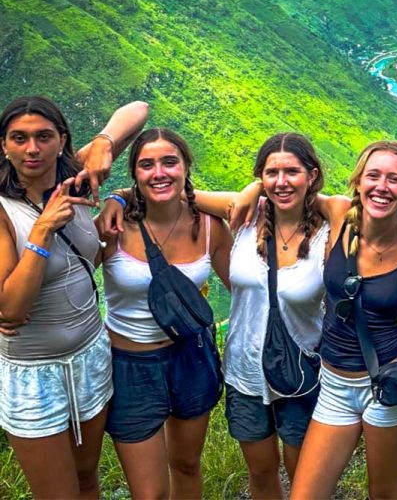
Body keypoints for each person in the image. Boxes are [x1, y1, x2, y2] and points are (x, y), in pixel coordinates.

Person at [0, 95, 148, 499]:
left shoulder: (79, 180)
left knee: (87, 480)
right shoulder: (3, 210)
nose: (32, 148)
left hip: (88, 355)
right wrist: (42, 232)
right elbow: (10, 309)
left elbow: (138, 109)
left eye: (44, 136)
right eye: (19, 138)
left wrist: (103, 144)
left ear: (61, 140)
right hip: (34, 372)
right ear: (4, 146)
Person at [288, 141, 397, 500]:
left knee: (383, 491)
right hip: (334, 383)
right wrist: (251, 190)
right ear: (358, 182)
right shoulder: (337, 214)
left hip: (388, 385)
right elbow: (286, 188)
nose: (382, 187)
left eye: (394, 179)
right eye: (374, 176)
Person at [100, 128, 232, 499]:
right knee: (150, 492)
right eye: (147, 165)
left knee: (188, 465)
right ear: (135, 174)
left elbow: (246, 285)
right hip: (130, 366)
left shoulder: (210, 227)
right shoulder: (113, 226)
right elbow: (69, 281)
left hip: (192, 357)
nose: (159, 172)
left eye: (170, 162)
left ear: (186, 167)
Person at [221, 133, 331, 499]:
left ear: (311, 175)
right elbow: (177, 196)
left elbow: (349, 204)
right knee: (262, 472)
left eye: (292, 172)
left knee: (304, 477)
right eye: (271, 173)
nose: (281, 182)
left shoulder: (327, 233)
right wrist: (117, 197)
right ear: (260, 177)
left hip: (301, 372)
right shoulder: (245, 217)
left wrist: (261, 189)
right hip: (244, 371)